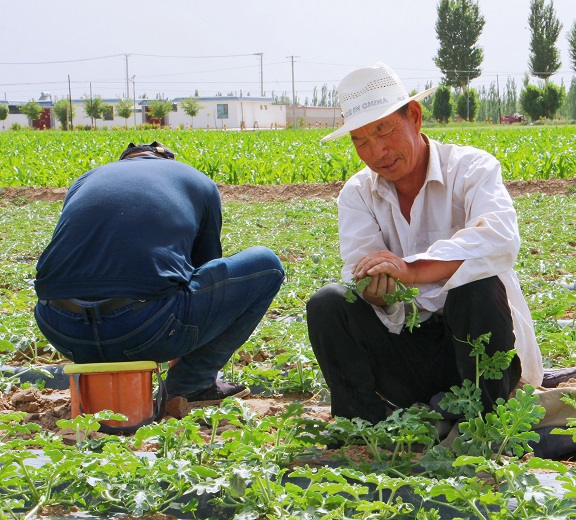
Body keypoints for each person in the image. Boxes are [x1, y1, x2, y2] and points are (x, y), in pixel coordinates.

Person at [307, 63, 544, 425]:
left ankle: (482, 417)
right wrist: (375, 288)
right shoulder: (357, 194)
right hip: (410, 357)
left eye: (383, 130)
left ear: (414, 116)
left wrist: (411, 270)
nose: (377, 151)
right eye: (361, 140)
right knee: (329, 304)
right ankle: (364, 425)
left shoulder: (471, 169)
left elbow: (500, 240)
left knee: (475, 283)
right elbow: (361, 272)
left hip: (479, 350)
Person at [34, 141, 284, 404]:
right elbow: (202, 271)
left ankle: (97, 381)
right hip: (146, 329)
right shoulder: (196, 181)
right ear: (167, 160)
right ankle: (191, 384)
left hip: (61, 330)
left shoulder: (85, 181)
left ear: (124, 161)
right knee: (267, 265)